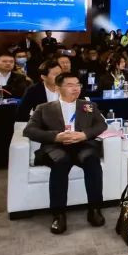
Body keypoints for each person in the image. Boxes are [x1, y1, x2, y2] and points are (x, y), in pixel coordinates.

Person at [22, 72, 107, 234]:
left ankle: (95, 209)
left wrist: (84, 135)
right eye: (70, 85)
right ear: (58, 88)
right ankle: (58, 214)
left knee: (92, 160)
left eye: (78, 85)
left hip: (82, 145)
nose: (75, 88)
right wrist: (56, 137)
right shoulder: (44, 108)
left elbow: (102, 125)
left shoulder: (88, 105)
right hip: (56, 147)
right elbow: (29, 130)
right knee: (61, 162)